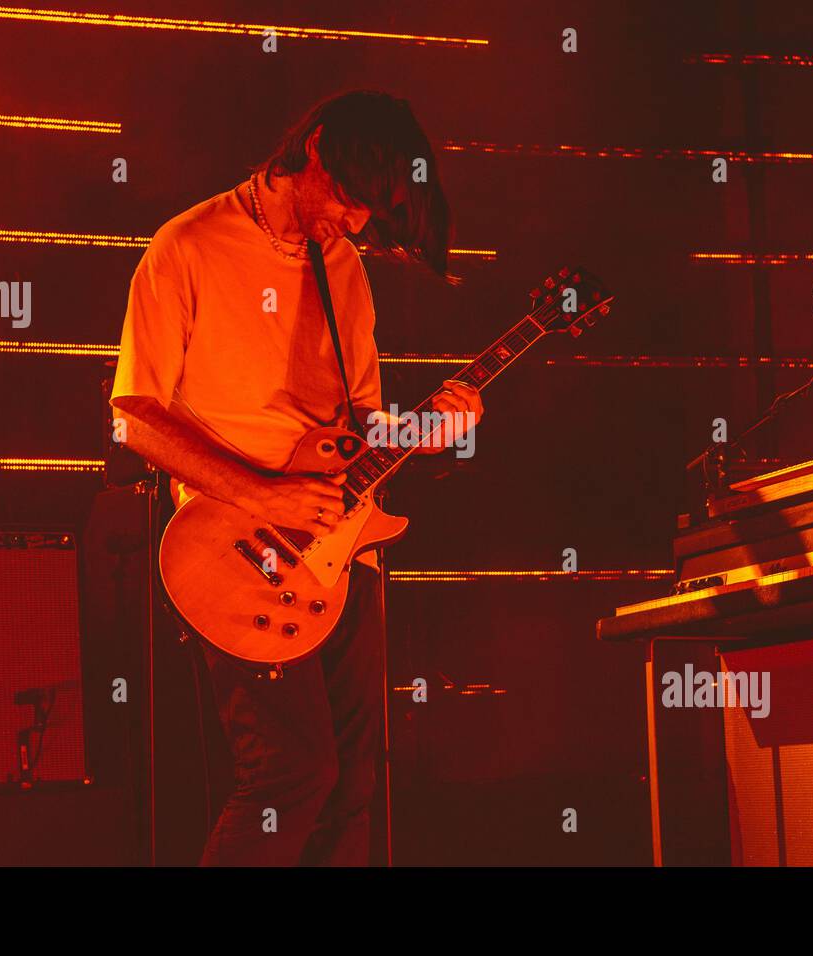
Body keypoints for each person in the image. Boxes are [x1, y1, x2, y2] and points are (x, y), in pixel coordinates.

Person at [110, 90, 484, 865]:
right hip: (242, 549)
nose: (352, 224)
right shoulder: (187, 246)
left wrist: (432, 429)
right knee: (291, 772)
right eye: (348, 200)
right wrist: (263, 493)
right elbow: (134, 416)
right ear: (312, 150)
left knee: (352, 784)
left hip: (345, 550)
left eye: (366, 214)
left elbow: (362, 427)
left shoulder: (342, 265)